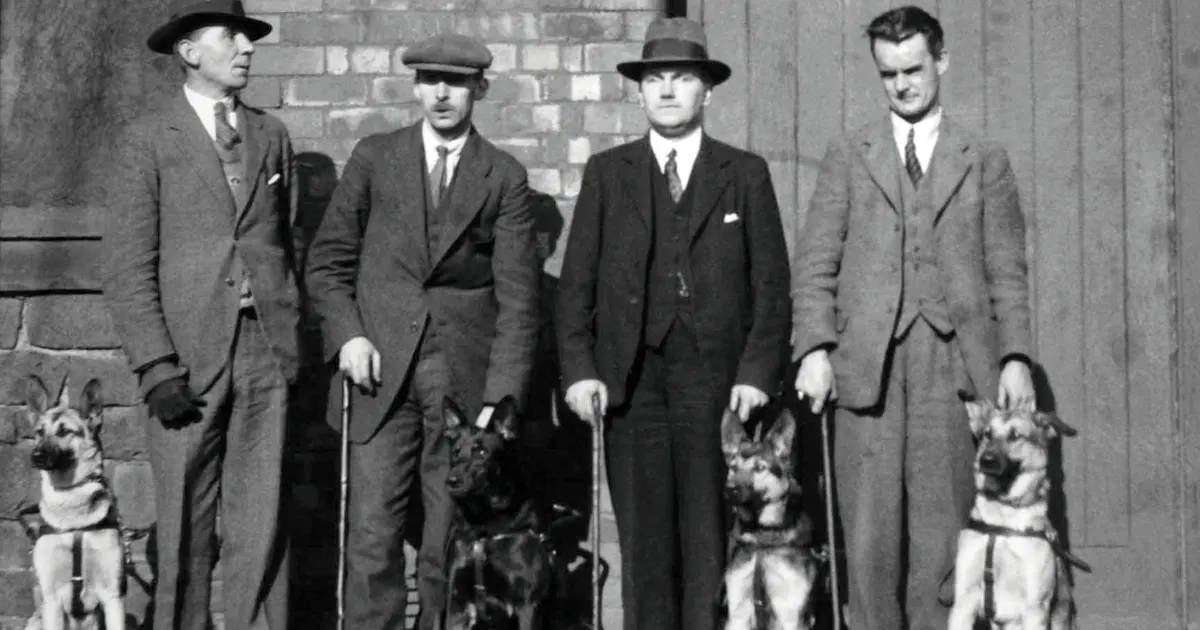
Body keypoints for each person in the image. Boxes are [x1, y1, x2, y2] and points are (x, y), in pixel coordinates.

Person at [790, 6, 1037, 629]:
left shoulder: (984, 158)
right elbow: (816, 261)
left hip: (953, 370)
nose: (901, 84)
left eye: (913, 69)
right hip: (864, 369)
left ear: (941, 62)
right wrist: (815, 348)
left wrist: (1014, 358)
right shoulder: (850, 153)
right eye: (887, 73)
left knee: (943, 541)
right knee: (868, 543)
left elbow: (1007, 271)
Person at [555, 17, 792, 630]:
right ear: (639, 92)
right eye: (655, 79)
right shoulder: (609, 174)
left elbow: (771, 285)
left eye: (682, 78)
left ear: (706, 92)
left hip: (715, 385)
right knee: (644, 545)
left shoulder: (743, 173)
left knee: (710, 539)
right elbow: (576, 284)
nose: (666, 91)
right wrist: (580, 371)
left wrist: (757, 370)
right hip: (631, 386)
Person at [304, 32, 540, 630]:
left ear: (478, 90)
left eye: (456, 82)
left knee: (445, 544)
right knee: (371, 534)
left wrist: (497, 400)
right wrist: (348, 335)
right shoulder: (374, 157)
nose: (441, 92)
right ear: (415, 86)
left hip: (459, 385)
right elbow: (328, 263)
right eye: (430, 80)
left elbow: (518, 300)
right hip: (377, 372)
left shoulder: (503, 176)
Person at [102, 1, 299, 629]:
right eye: (230, 36)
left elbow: (283, 243)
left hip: (263, 353)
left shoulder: (271, 137)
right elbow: (127, 265)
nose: (246, 47)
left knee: (260, 519)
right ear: (189, 51)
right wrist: (156, 368)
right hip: (185, 361)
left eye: (248, 36)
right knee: (184, 523)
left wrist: (287, 338)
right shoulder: (147, 138)